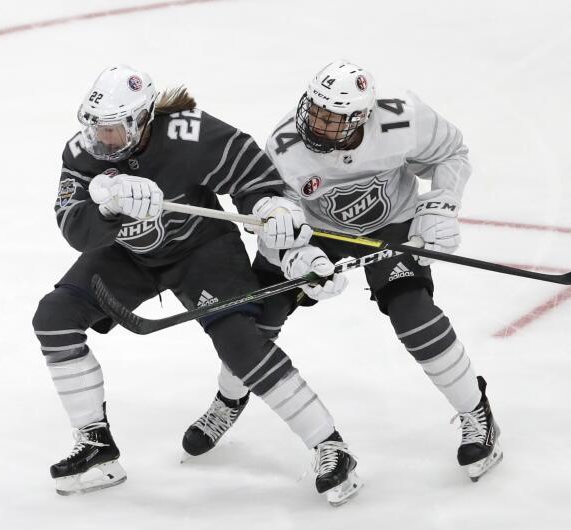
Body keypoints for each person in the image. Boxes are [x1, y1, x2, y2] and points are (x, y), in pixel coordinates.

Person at [31, 64, 362, 505]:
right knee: (53, 318)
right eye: (96, 127)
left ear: (142, 118)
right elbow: (75, 231)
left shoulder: (188, 135)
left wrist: (270, 205)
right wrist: (108, 209)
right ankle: (95, 448)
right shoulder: (81, 152)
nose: (102, 138)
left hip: (201, 253)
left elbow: (251, 173)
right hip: (128, 256)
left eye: (114, 128)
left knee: (241, 344)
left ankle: (330, 445)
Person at [184, 60, 502, 482]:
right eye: (314, 109)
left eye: (331, 119)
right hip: (312, 232)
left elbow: (451, 153)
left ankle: (476, 411)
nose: (315, 123)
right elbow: (276, 222)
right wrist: (297, 256)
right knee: (254, 323)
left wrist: (442, 204)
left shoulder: (403, 119)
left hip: (393, 225)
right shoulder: (284, 147)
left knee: (412, 313)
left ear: (361, 118)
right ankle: (229, 399)